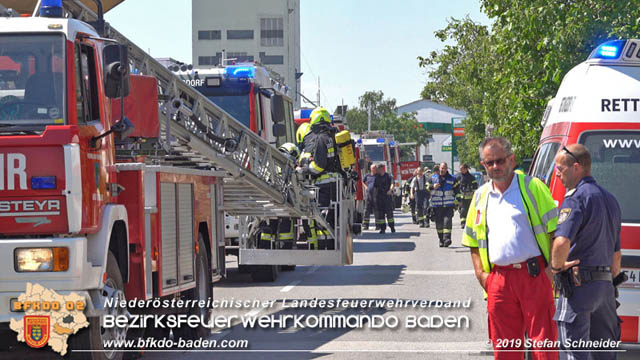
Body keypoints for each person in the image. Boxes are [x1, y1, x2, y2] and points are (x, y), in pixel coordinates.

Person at [462, 137, 559, 359]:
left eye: (500, 161)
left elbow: (556, 232)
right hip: (499, 280)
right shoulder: (481, 196)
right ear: (483, 165)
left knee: (543, 347)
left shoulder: (533, 188)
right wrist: (482, 275)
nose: (495, 167)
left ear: (511, 160)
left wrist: (551, 270)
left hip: (534, 276)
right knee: (505, 349)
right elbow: (472, 241)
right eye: (489, 163)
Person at [551, 144, 621, 359]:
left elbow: (562, 242)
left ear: (576, 167)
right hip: (605, 288)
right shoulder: (611, 199)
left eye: (561, 169)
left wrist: (555, 268)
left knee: (575, 353)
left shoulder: (576, 198)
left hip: (579, 288)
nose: (558, 174)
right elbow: (616, 256)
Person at [298, 107, 341, 250]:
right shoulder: (333, 136)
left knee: (323, 217)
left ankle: (324, 247)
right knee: (332, 217)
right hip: (336, 184)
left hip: (324, 185)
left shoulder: (321, 139)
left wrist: (306, 169)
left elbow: (320, 165)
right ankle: (331, 244)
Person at [430, 162, 458, 247]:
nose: (442, 170)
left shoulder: (452, 178)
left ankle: (447, 238)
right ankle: (441, 240)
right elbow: (426, 187)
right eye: (441, 168)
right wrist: (432, 186)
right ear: (439, 169)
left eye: (444, 168)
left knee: (447, 221)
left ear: (447, 169)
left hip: (448, 205)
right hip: (437, 205)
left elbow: (457, 190)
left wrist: (458, 201)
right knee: (439, 224)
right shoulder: (433, 178)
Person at [455, 163, 478, 228]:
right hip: (461, 197)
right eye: (460, 169)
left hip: (470, 197)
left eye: (461, 168)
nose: (460, 170)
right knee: (462, 210)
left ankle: (470, 223)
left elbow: (475, 186)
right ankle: (463, 223)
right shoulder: (458, 177)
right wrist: (458, 198)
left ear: (466, 169)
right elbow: (455, 187)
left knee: (470, 210)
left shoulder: (471, 177)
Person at [374, 164, 395, 233]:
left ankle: (392, 227)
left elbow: (392, 184)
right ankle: (382, 229)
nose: (378, 170)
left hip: (387, 197)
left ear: (382, 168)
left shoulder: (389, 176)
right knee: (381, 214)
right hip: (379, 197)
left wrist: (390, 190)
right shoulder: (377, 177)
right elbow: (374, 186)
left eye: (379, 169)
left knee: (389, 214)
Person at [362, 164, 379, 230]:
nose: (375, 169)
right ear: (371, 169)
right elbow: (363, 182)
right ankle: (366, 225)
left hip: (376, 195)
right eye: (374, 168)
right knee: (367, 210)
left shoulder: (378, 176)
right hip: (368, 195)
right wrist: (366, 187)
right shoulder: (367, 175)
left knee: (376, 211)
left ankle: (378, 225)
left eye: (376, 168)